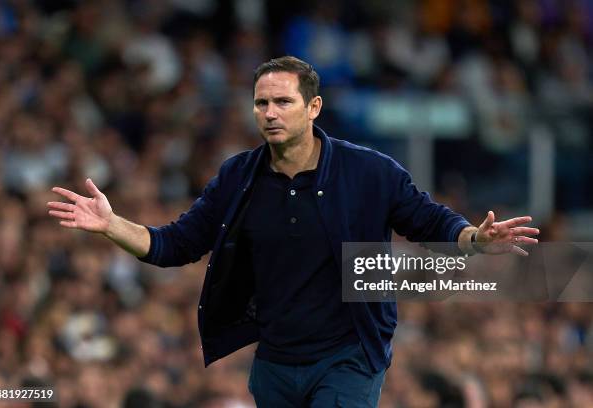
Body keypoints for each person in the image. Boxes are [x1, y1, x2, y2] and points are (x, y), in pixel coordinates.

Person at [48, 56, 540, 407]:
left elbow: (430, 221)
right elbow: (176, 244)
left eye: (282, 101)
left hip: (348, 357)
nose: (269, 113)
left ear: (314, 107)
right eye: (261, 103)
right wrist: (113, 225)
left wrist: (475, 240)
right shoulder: (237, 176)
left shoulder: (370, 171)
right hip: (276, 362)